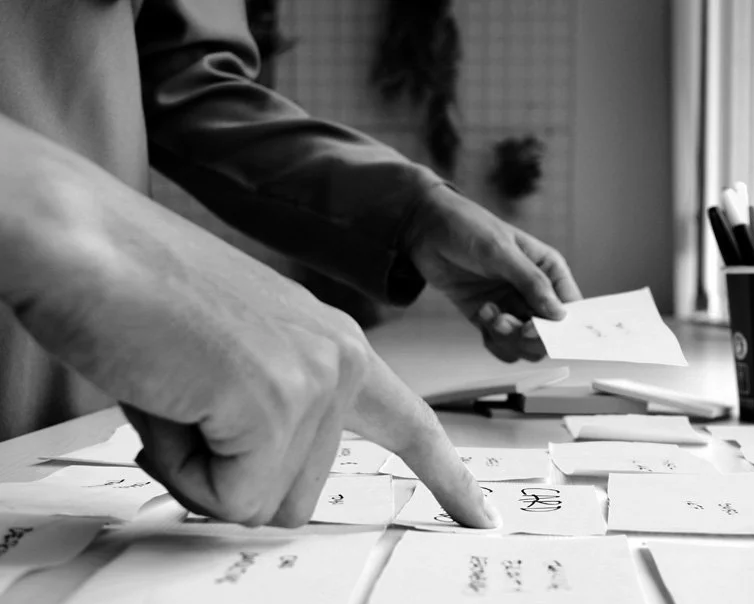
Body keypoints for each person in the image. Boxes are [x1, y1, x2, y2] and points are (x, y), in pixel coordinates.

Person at [0, 1, 581, 529]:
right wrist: (75, 223)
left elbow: (190, 82)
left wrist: (413, 212)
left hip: (72, 407)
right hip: (74, 304)